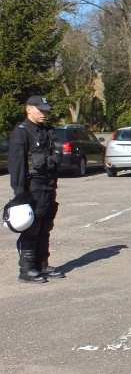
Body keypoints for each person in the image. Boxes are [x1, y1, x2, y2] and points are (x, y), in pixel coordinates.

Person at [9, 96, 64, 283]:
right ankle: (26, 269)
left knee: (45, 225)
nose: (44, 113)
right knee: (31, 227)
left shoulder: (44, 131)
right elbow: (17, 164)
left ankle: (42, 264)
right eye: (40, 110)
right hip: (32, 187)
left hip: (47, 185)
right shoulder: (22, 132)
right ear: (28, 109)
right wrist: (19, 192)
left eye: (45, 110)